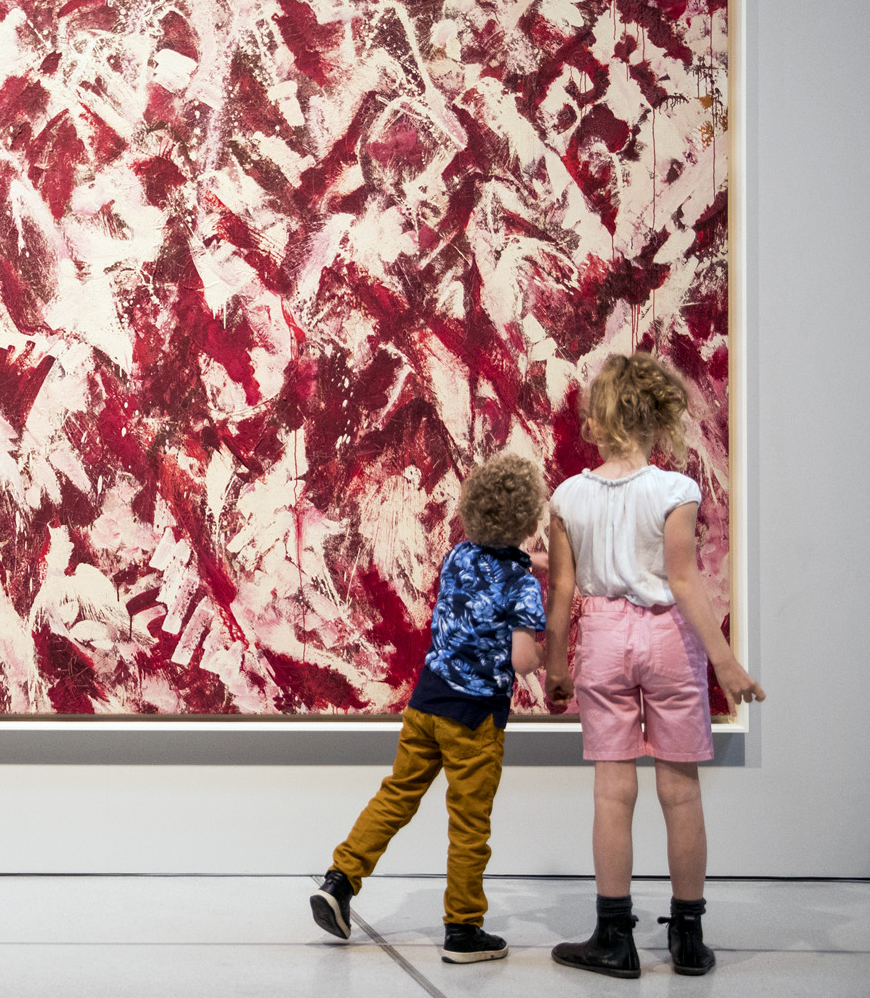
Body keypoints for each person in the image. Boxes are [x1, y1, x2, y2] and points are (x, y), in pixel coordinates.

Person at [545, 353, 766, 979]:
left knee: (612, 792)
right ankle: (688, 937)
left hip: (603, 640)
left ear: (598, 420)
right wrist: (726, 664)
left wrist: (556, 665)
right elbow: (684, 580)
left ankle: (614, 937)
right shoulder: (675, 491)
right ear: (655, 418)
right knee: (681, 791)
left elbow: (561, 590)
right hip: (669, 638)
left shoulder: (568, 497)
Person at [311, 453, 547, 964]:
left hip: (427, 703)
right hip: (475, 718)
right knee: (469, 824)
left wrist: (531, 564)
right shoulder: (522, 586)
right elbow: (523, 659)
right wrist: (548, 650)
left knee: (396, 795)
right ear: (530, 520)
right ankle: (463, 929)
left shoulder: (459, 555)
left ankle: (340, 880)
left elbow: (491, 575)